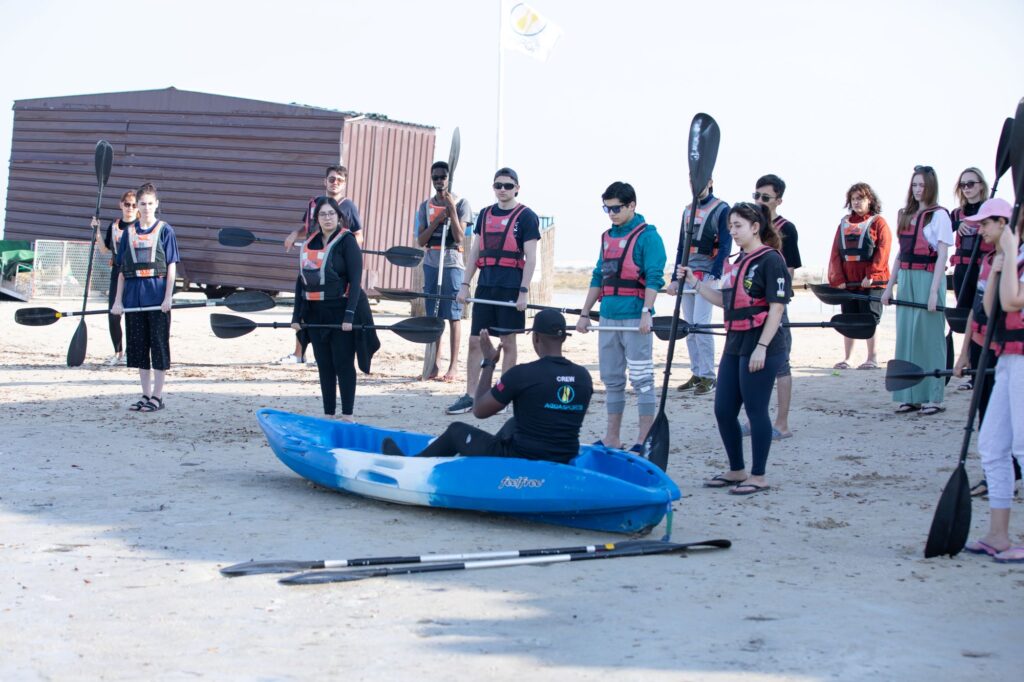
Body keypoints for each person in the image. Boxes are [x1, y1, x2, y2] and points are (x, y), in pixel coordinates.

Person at [679, 202, 791, 495]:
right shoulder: (736, 260)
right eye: (730, 227)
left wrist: (762, 347)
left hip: (762, 344)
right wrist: (695, 282)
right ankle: (736, 469)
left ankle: (758, 475)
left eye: (738, 226)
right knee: (723, 409)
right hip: (735, 342)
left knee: (756, 410)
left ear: (756, 227)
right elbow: (724, 300)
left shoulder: (771, 260)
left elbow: (777, 309)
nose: (733, 232)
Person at [381, 310, 593, 462]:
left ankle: (409, 464)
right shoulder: (584, 377)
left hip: (522, 458)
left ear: (535, 338)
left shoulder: (523, 374)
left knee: (456, 431)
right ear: (564, 338)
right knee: (514, 422)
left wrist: (489, 363)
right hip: (564, 456)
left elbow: (479, 410)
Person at [575, 181, 666, 450]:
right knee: (612, 378)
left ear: (631, 205)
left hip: (635, 318)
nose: (611, 213)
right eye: (607, 208)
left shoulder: (649, 236)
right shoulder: (606, 237)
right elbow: (597, 276)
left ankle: (644, 437)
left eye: (616, 208)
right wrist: (584, 314)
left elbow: (654, 277)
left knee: (641, 377)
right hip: (608, 317)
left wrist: (647, 312)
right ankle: (612, 437)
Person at [960, 198, 1024, 563]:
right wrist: (1000, 269)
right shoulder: (999, 259)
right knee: (993, 445)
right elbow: (991, 309)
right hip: (1007, 359)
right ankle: (998, 535)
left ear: (1005, 222)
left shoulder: (1018, 252)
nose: (980, 230)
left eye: (986, 223)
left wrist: (1012, 251)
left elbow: (1015, 302)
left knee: (1022, 447)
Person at [450, 168, 540, 415]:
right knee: (475, 340)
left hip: (510, 285)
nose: (503, 189)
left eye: (508, 186)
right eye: (498, 185)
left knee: (508, 342)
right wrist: (465, 284)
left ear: (517, 188)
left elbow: (531, 259)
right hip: (486, 285)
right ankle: (470, 395)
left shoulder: (527, 217)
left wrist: (523, 291)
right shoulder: (485, 215)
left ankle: (502, 396)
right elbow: (475, 253)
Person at [881, 165, 953, 415]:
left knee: (929, 337)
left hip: (928, 278)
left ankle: (934, 397)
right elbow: (901, 254)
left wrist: (934, 292)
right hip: (908, 280)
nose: (918, 189)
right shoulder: (906, 214)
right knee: (907, 337)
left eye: (922, 185)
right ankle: (909, 395)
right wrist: (889, 288)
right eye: (914, 185)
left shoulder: (940, 216)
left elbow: (942, 255)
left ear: (931, 187)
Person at [291, 197, 372, 420]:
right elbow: (301, 282)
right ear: (316, 219)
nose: (327, 218)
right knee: (324, 365)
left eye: (331, 214)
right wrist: (296, 315)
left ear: (339, 217)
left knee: (343, 364)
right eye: (323, 214)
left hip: (341, 311)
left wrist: (349, 315)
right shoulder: (311, 242)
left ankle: (347, 415)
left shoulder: (347, 241)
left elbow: (356, 282)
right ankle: (328, 414)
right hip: (315, 312)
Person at [279, 165, 363, 366]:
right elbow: (307, 228)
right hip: (310, 264)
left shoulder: (348, 206)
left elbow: (358, 234)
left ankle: (326, 352)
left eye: (340, 180)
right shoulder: (315, 203)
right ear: (325, 181)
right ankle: (299, 354)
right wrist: (294, 234)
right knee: (304, 306)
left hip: (333, 270)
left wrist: (346, 251)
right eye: (332, 179)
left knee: (331, 310)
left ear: (344, 184)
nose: (335, 183)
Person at [110, 183, 180, 413]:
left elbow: (170, 267)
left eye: (151, 203)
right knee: (139, 349)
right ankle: (145, 394)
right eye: (143, 204)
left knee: (158, 347)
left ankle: (157, 397)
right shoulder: (128, 232)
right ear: (137, 206)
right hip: (133, 300)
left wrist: (168, 297)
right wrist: (118, 302)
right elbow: (122, 271)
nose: (147, 207)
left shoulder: (165, 230)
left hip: (157, 298)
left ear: (156, 204)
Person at [666, 179, 731, 396]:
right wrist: (676, 277)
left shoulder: (722, 209)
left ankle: (709, 376)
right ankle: (696, 373)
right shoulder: (687, 211)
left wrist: (716, 274)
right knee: (688, 327)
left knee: (701, 325)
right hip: (687, 275)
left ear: (711, 182)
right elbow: (680, 246)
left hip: (706, 276)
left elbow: (725, 245)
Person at [415, 160, 472, 382]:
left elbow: (460, 237)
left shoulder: (462, 203)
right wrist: (438, 219)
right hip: (431, 262)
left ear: (449, 178)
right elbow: (421, 240)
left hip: (452, 262)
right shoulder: (425, 206)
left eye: (443, 177)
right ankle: (434, 364)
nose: (439, 181)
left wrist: (452, 212)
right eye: (435, 177)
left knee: (453, 315)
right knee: (434, 314)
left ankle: (453, 366)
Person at [753, 174, 800, 439]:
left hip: (775, 305)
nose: (760, 201)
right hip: (751, 307)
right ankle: (756, 418)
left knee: (781, 363)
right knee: (753, 363)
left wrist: (778, 301)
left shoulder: (786, 229)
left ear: (778, 200)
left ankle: (781, 423)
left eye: (765, 198)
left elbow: (790, 270)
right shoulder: (749, 225)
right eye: (756, 196)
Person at [827, 183, 892, 369]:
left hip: (871, 281)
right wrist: (838, 279)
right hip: (848, 282)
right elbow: (835, 252)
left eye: (860, 198)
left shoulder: (879, 222)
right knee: (849, 318)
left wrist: (872, 274)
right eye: (853, 199)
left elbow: (884, 249)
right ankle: (848, 358)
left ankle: (872, 358)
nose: (856, 202)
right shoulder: (844, 223)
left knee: (870, 318)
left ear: (869, 200)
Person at [949, 168, 991, 391]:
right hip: (962, 271)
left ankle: (978, 374)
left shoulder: (989, 210)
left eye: (971, 184)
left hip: (982, 271)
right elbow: (936, 231)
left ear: (981, 186)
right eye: (963, 185)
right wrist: (957, 226)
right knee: (967, 320)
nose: (967, 189)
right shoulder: (956, 214)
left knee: (980, 322)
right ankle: (971, 368)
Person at [92, 190, 138, 365]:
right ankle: (117, 352)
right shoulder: (114, 226)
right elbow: (105, 250)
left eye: (134, 205)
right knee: (113, 314)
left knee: (133, 316)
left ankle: (130, 353)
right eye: (127, 204)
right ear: (121, 205)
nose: (130, 208)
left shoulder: (140, 225)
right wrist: (96, 231)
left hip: (134, 275)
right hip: (117, 272)